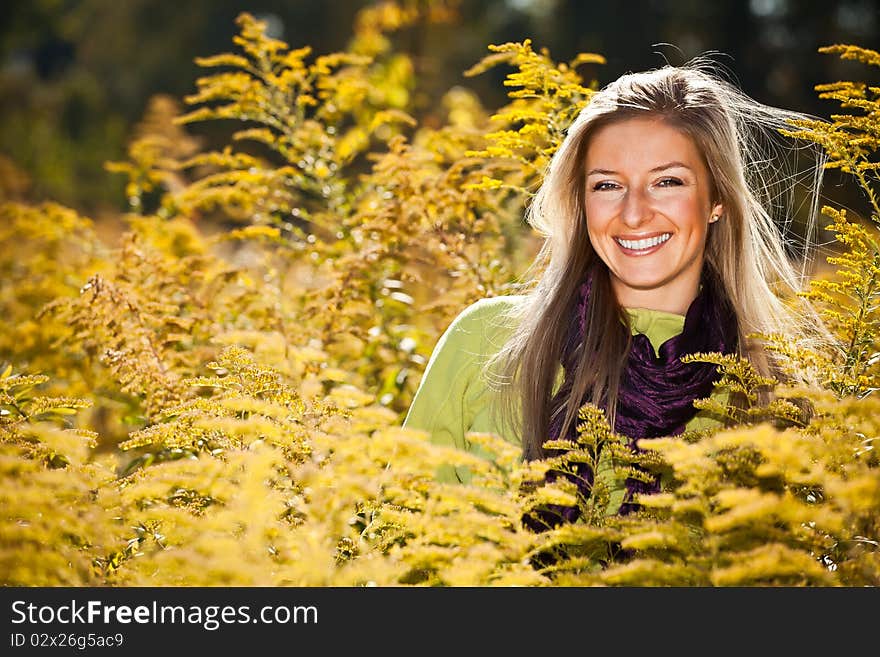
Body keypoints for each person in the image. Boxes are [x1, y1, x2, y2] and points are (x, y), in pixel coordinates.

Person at [402, 59, 834, 525]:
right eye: (607, 185)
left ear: (716, 200)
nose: (633, 214)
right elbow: (389, 543)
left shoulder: (768, 391)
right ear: (580, 202)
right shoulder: (486, 341)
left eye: (667, 182)